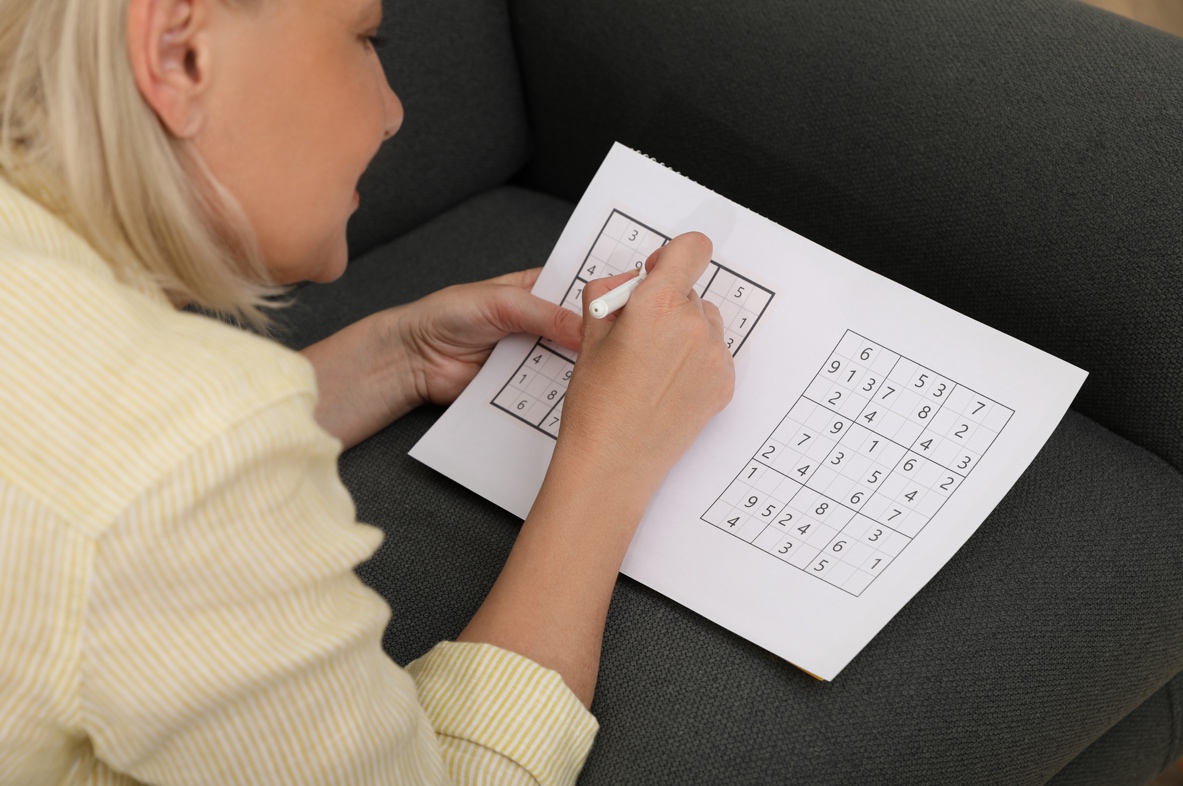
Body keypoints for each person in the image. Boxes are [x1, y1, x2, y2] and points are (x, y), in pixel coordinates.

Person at [0, 0, 734, 784]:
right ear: (179, 54)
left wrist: (394, 359)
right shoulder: (170, 445)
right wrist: (611, 457)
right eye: (363, 37)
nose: (391, 113)